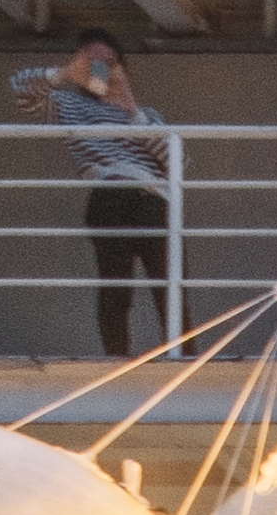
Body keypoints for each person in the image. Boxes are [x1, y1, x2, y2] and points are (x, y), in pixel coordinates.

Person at [21, 29, 169, 351]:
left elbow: (178, 161)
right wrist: (63, 74)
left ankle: (185, 356)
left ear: (122, 67)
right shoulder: (69, 105)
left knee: (170, 285)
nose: (99, 70)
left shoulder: (148, 115)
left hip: (152, 199)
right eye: (91, 62)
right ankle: (116, 357)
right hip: (109, 195)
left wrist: (134, 113)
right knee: (116, 288)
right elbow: (23, 92)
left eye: (108, 63)